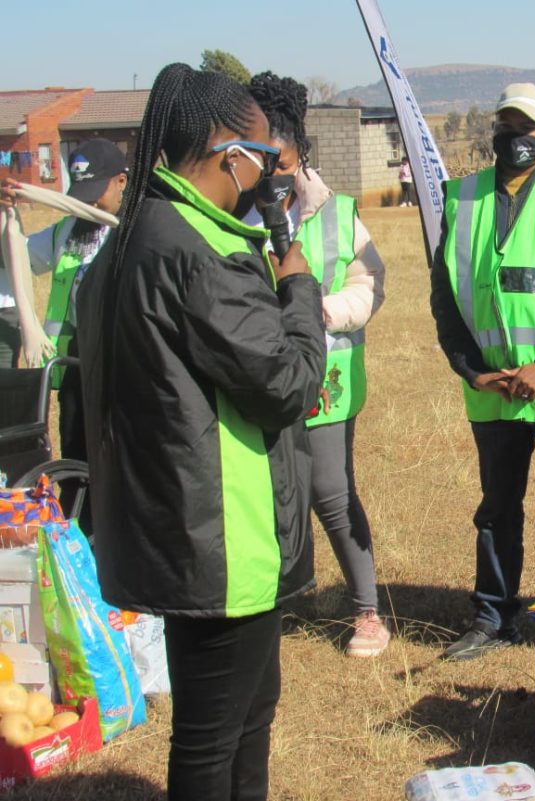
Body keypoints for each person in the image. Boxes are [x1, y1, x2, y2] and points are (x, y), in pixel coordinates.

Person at [75, 63, 325, 801]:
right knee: (214, 738)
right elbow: (286, 383)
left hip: (173, 530)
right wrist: (298, 283)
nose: (265, 172)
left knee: (246, 713)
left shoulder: (126, 246)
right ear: (226, 156)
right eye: (259, 155)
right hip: (225, 538)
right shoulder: (203, 254)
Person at [429, 82, 535, 661]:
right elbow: (445, 295)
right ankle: (494, 615)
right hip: (492, 391)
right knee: (496, 507)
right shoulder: (461, 198)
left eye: (526, 127)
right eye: (504, 124)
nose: (512, 137)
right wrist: (470, 369)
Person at [247, 71, 389, 657]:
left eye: (283, 160)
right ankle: (269, 602)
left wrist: (324, 311)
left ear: (301, 152)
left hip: (324, 377)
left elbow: (372, 282)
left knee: (330, 490)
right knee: (264, 491)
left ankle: (367, 612)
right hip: (256, 374)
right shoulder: (237, 210)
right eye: (264, 161)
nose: (274, 172)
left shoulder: (336, 212)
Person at [0, 140, 127, 470]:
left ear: (122, 182)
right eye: (82, 194)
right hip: (76, 363)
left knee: (120, 458)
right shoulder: (67, 230)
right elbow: (19, 259)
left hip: (124, 359)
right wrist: (5, 220)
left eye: (97, 191)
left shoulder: (137, 230)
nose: (89, 204)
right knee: (75, 456)